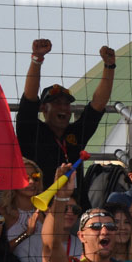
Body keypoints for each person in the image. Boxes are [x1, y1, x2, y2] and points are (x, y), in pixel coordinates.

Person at [15, 38, 116, 210]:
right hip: (40, 209)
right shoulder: (32, 130)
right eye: (56, 103)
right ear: (43, 109)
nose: (64, 108)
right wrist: (37, 59)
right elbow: (30, 98)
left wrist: (109, 66)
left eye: (66, 103)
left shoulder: (76, 133)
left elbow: (97, 105)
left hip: (77, 209)